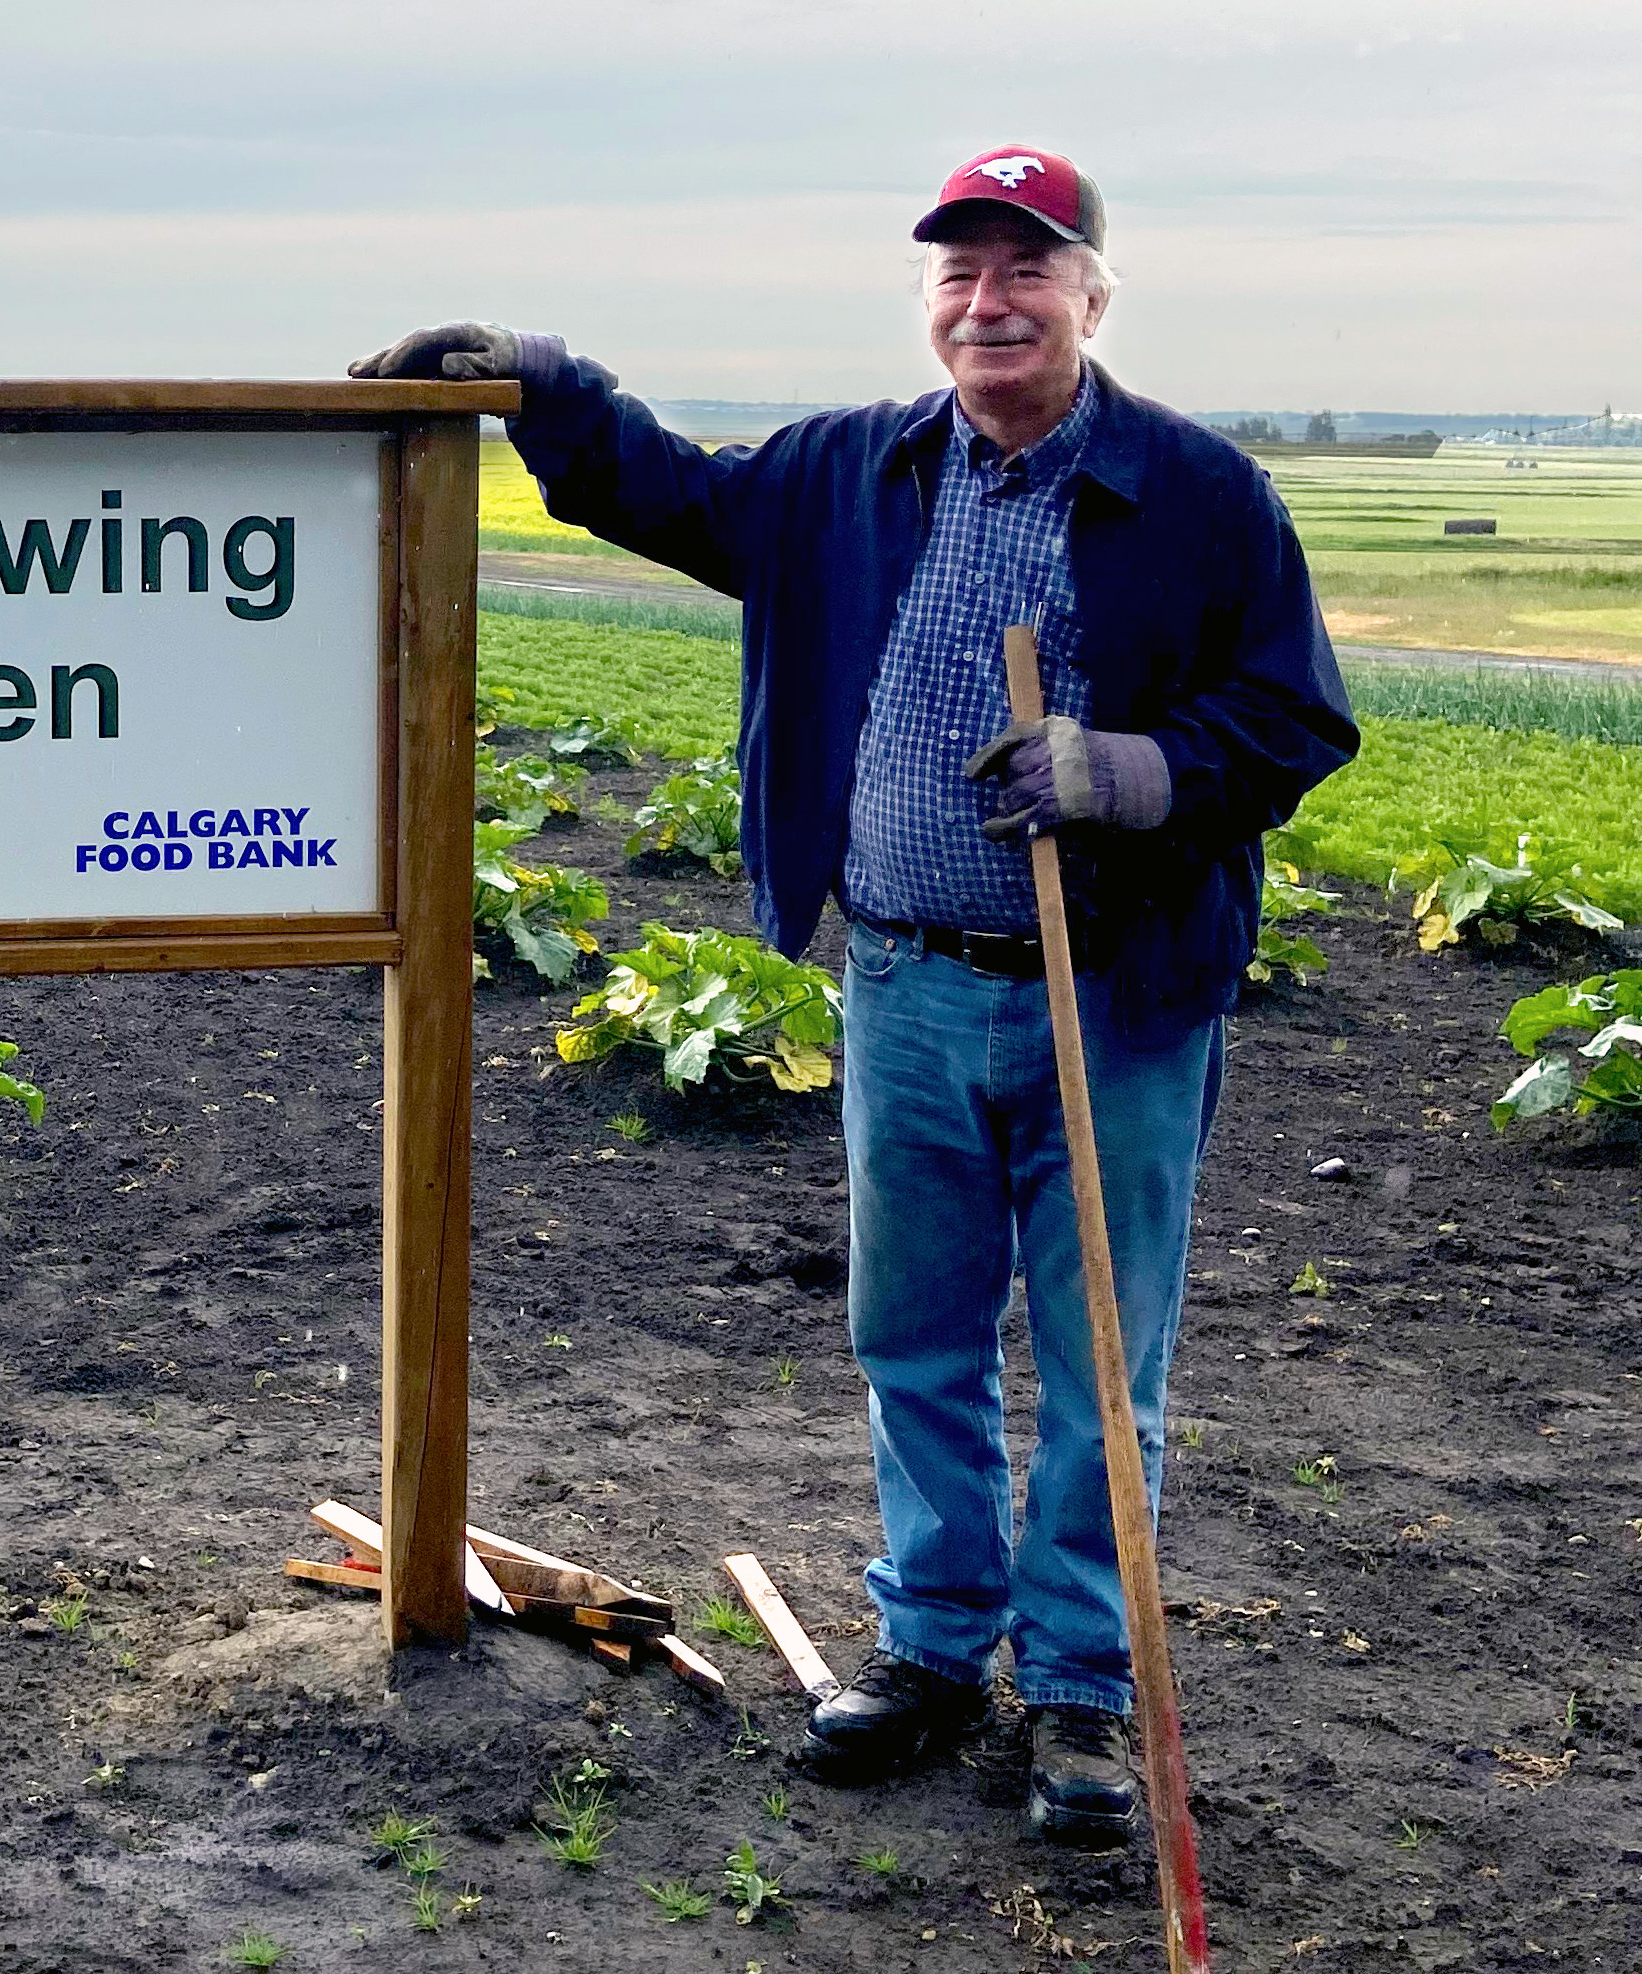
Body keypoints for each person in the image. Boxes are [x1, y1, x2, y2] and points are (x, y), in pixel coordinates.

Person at [352, 146, 1356, 1845]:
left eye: (1027, 271)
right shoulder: (844, 478)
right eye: (959, 274)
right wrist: (534, 375)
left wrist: (1120, 771)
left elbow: (1296, 718)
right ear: (928, 304)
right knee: (916, 1338)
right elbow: (659, 489)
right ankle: (936, 1648)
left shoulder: (1199, 496)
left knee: (1105, 1358)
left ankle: (1088, 1690)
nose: (990, 302)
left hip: (1107, 992)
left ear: (1092, 296)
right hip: (901, 980)